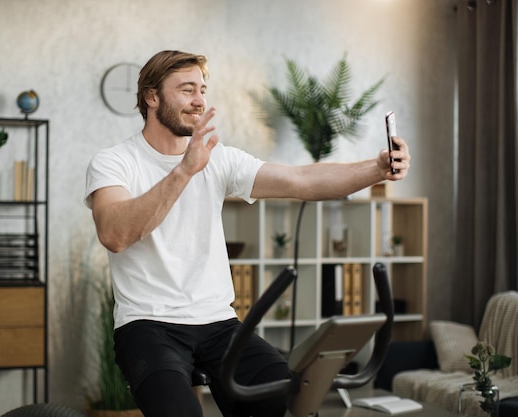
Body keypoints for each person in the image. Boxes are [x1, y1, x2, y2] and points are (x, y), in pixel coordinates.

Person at [84, 50, 411, 417]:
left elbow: (301, 180)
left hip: (219, 323)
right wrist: (183, 171)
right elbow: (115, 233)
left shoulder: (219, 158)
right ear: (152, 96)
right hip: (147, 324)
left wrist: (377, 168)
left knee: (292, 405)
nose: (199, 100)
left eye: (202, 90)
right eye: (187, 89)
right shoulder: (114, 162)